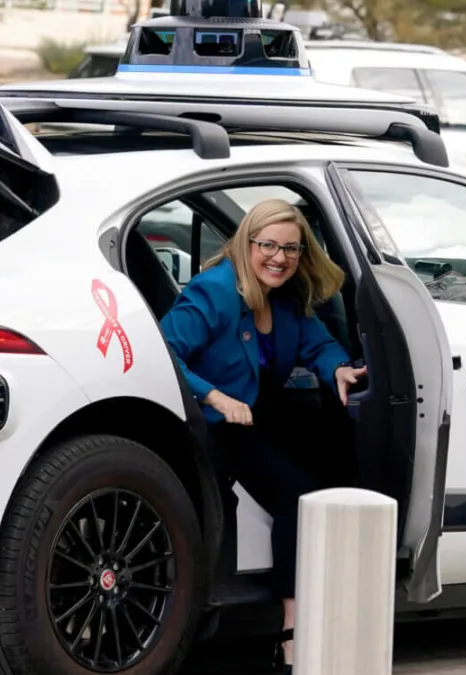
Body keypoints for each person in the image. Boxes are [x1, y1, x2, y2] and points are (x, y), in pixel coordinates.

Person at [158, 198, 366, 673]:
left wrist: (337, 368)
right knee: (298, 497)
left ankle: (336, 591)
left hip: (258, 415)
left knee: (339, 463)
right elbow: (162, 351)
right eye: (268, 245)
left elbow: (320, 342)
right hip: (213, 424)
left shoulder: (287, 297)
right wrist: (214, 397)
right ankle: (291, 631)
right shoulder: (214, 292)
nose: (279, 258)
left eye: (290, 249)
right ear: (245, 243)